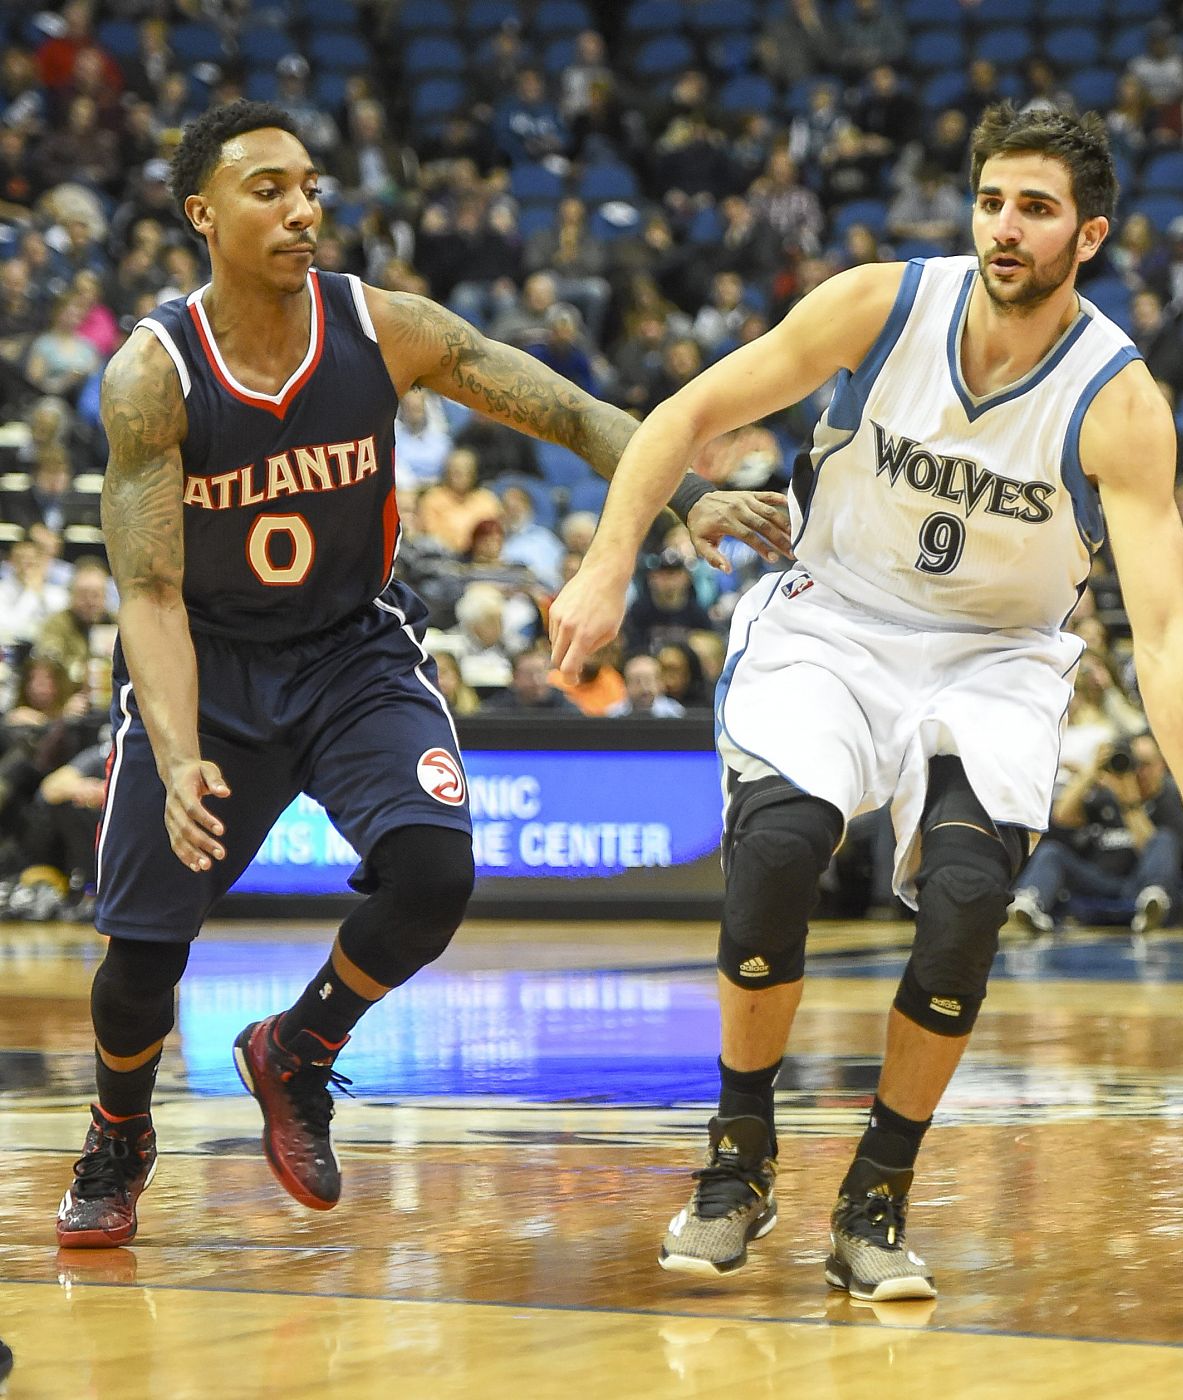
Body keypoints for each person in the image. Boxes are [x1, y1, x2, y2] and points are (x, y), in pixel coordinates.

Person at [549, 104, 1183, 1301]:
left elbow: (1164, 630)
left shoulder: (1117, 398)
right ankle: (737, 1164)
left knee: (968, 896)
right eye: (993, 199)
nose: (1006, 227)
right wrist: (610, 556)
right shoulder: (883, 303)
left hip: (998, 652)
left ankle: (875, 1195)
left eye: (1036, 209)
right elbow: (687, 415)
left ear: (1087, 235)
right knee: (777, 851)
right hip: (834, 618)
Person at [55, 101, 791, 1250]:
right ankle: (118, 1128)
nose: (303, 207)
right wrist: (184, 745)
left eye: (309, 185)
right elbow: (149, 595)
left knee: (436, 871)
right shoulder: (154, 376)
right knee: (142, 958)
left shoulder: (381, 325)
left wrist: (687, 496)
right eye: (268, 190)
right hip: (209, 662)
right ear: (202, 215)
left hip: (353, 650)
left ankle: (298, 1047)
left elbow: (569, 408)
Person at [1006, 731, 1183, 934]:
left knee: (1163, 839)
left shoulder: (1170, 799)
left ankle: (1154, 904)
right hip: (1100, 882)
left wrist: (1129, 803)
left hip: (1141, 884)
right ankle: (1029, 905)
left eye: (1146, 764)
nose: (1139, 771)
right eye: (1135, 763)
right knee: (1051, 852)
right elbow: (1061, 816)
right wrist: (1092, 770)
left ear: (1162, 765)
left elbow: (1151, 848)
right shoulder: (1105, 796)